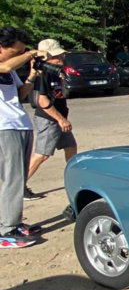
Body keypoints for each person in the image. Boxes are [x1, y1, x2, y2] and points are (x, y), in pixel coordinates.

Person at [0, 27, 42, 248]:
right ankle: (5, 231)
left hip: (21, 125)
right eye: (16, 52)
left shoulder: (10, 71)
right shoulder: (5, 66)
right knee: (13, 180)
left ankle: (13, 223)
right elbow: (6, 65)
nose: (19, 56)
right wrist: (30, 54)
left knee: (19, 178)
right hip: (4, 128)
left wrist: (33, 74)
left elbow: (21, 94)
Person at [26, 39, 78, 193]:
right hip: (49, 120)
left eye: (61, 55)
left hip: (60, 119)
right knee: (42, 154)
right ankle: (19, 186)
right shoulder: (42, 74)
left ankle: (73, 178)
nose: (61, 58)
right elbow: (42, 101)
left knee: (70, 147)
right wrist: (60, 119)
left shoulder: (54, 72)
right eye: (56, 56)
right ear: (45, 58)